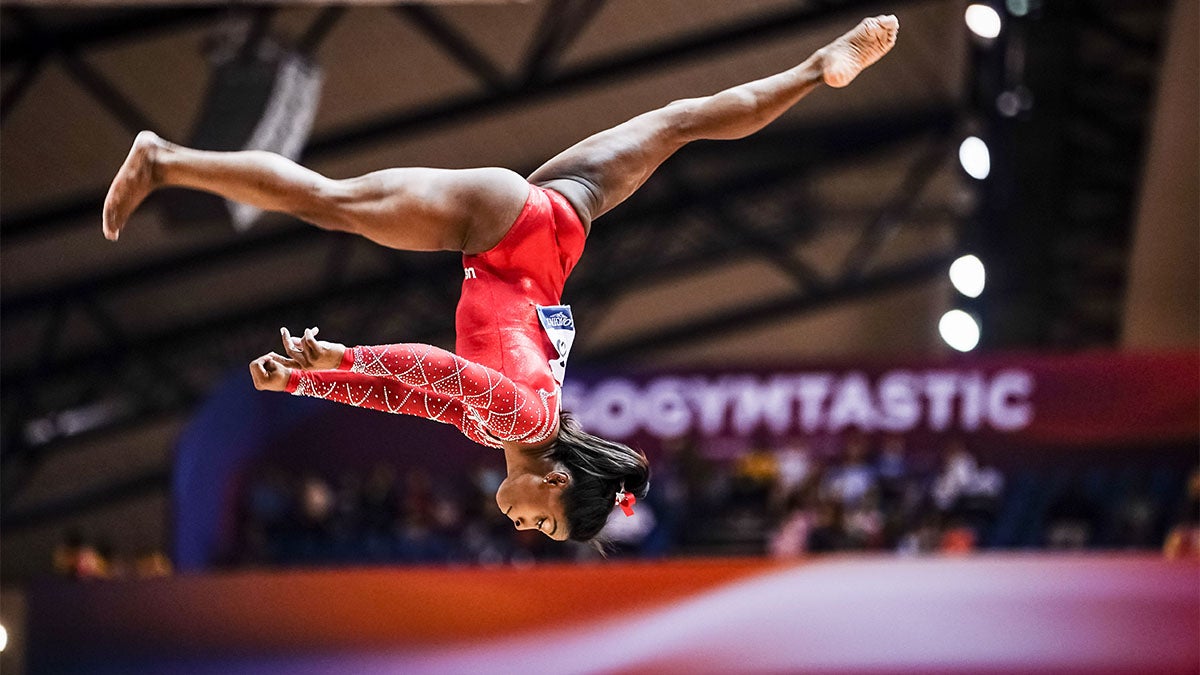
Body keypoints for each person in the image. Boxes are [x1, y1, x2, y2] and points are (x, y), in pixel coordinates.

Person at [102, 16, 900, 544]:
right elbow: (433, 368)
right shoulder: (520, 415)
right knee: (330, 202)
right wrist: (334, 358)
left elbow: (407, 395)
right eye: (547, 525)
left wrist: (312, 380)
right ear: (555, 481)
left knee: (683, 122)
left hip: (559, 221)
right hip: (501, 225)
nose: (526, 527)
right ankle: (165, 160)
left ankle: (813, 67)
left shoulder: (511, 426)